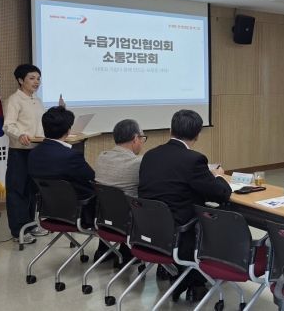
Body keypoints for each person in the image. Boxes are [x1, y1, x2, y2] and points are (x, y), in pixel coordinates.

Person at [138, 109, 231, 301]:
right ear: (197, 134)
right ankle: (196, 279)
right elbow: (221, 193)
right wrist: (218, 175)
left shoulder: (150, 155)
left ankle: (174, 270)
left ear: (170, 130)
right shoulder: (194, 160)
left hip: (148, 228)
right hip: (179, 231)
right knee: (220, 215)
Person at [3, 64, 49, 243]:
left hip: (36, 152)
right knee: (18, 191)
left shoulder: (37, 100)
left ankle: (30, 225)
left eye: (38, 78)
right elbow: (8, 125)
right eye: (32, 78)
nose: (36, 82)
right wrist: (20, 135)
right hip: (20, 152)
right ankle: (18, 231)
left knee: (32, 190)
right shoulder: (14, 100)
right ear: (21, 80)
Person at [27, 106, 95, 226]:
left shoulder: (33, 154)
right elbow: (92, 177)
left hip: (47, 211)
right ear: (68, 130)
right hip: (79, 214)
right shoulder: (71, 156)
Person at [93, 119, 146, 264]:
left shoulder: (102, 157)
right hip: (129, 221)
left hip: (104, 218)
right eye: (142, 138)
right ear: (135, 138)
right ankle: (127, 252)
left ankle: (104, 249)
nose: (142, 142)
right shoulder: (138, 163)